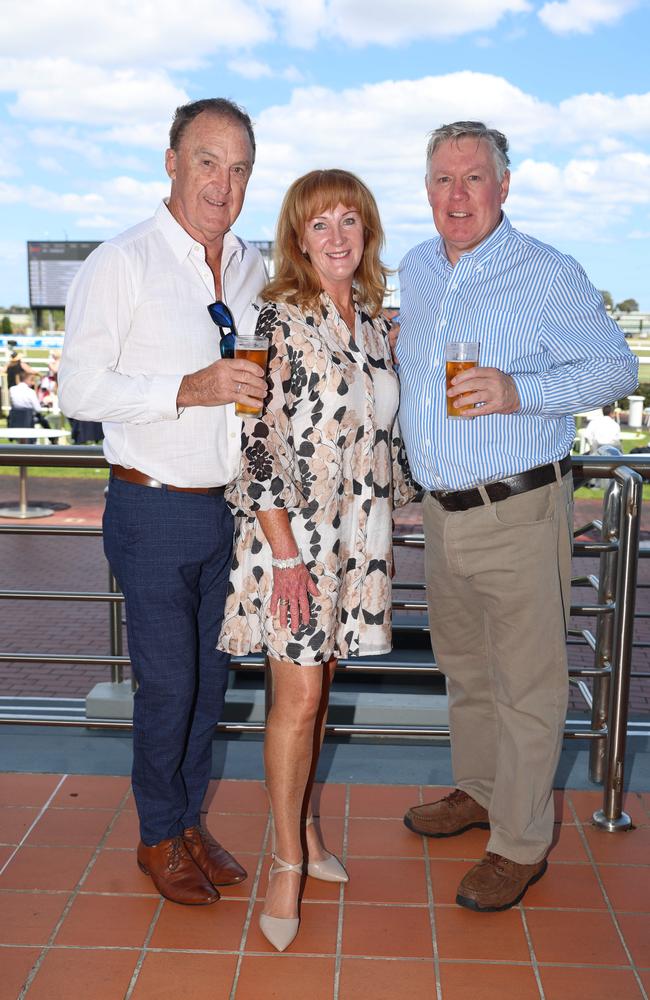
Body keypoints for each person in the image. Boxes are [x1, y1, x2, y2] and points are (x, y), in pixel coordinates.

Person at [397, 121, 638, 912]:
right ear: (426, 189)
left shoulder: (546, 272)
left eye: (473, 178)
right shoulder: (418, 267)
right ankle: (480, 791)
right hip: (442, 511)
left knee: (529, 686)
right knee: (464, 670)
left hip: (519, 507)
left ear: (504, 186)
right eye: (442, 179)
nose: (456, 194)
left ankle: (522, 842)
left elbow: (616, 364)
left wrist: (518, 389)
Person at [58, 98, 268, 907]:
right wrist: (189, 387)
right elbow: (80, 387)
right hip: (151, 509)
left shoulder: (250, 265)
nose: (224, 181)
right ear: (171, 161)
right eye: (208, 160)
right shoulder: (124, 261)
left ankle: (186, 821)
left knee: (211, 687)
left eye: (240, 166)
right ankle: (156, 837)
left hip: (230, 513)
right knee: (170, 687)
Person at [219, 168, 415, 949]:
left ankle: (306, 830)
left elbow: (380, 432)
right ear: (297, 238)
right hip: (290, 539)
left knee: (321, 689)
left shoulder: (370, 319)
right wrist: (288, 555)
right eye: (319, 224)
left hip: (357, 541)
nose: (336, 236)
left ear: (366, 232)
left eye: (349, 221)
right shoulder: (272, 314)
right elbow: (254, 434)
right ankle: (287, 864)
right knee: (296, 700)